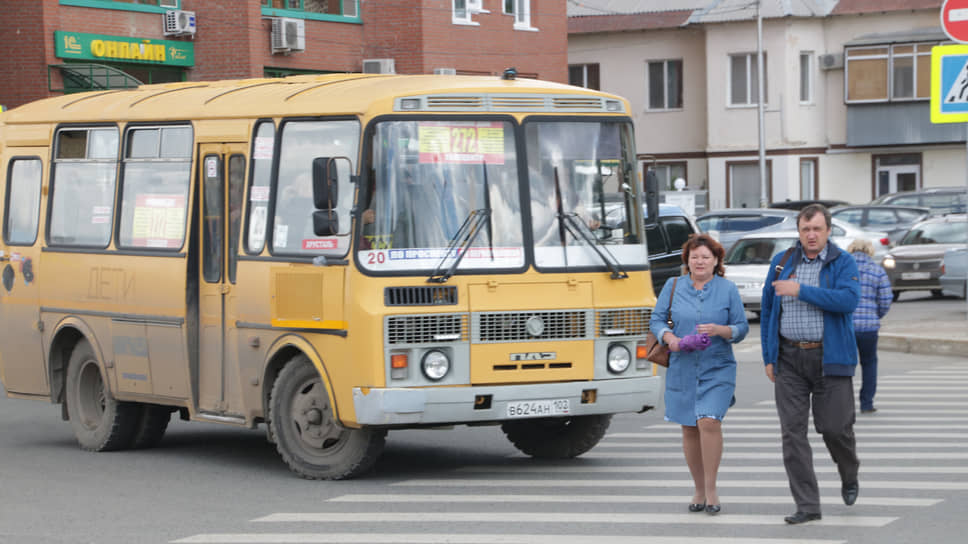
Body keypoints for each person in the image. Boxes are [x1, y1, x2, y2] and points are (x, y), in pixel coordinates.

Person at [760, 204, 861, 525]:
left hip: (829, 358)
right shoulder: (782, 263)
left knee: (834, 428)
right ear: (799, 232)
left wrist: (802, 291)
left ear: (828, 231)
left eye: (817, 229)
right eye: (806, 230)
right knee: (792, 434)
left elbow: (848, 301)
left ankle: (849, 472)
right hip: (789, 359)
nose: (811, 235)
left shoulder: (842, 262)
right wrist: (768, 356)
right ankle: (807, 504)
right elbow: (767, 311)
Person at [650, 233, 749, 516]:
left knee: (708, 421)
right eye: (695, 257)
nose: (700, 262)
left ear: (716, 260)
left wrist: (721, 331)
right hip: (682, 366)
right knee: (689, 427)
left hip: (718, 367)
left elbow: (742, 328)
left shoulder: (727, 289)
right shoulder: (672, 286)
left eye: (706, 257)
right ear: (687, 261)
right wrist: (669, 339)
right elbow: (656, 319)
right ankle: (698, 489)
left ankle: (712, 487)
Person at [847, 238, 892, 414]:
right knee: (869, 363)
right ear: (870, 251)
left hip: (846, 326)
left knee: (845, 366)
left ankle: (844, 403)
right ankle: (866, 403)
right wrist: (875, 315)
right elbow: (886, 299)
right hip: (869, 327)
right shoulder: (877, 271)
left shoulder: (844, 271)